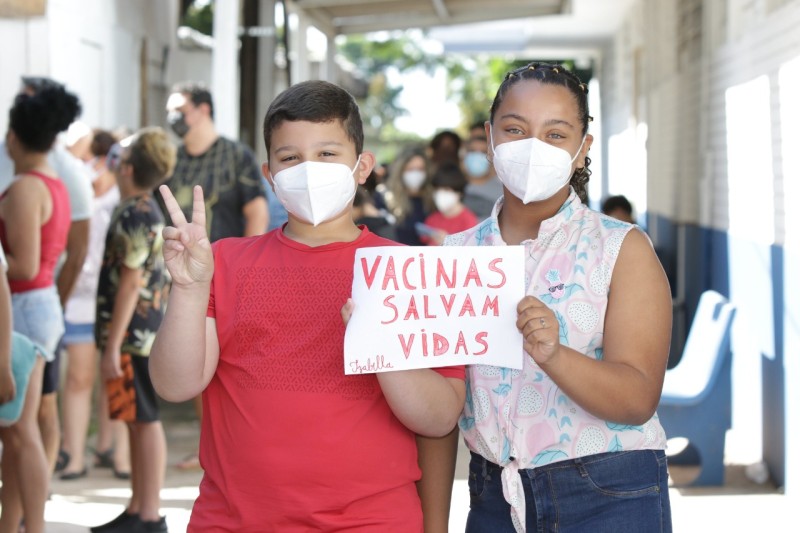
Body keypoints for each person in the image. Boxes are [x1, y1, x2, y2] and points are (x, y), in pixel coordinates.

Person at [149, 79, 465, 531]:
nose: (309, 169)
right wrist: (188, 288)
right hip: (232, 521)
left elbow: (440, 418)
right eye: (290, 158)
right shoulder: (224, 261)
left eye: (327, 154)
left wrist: (381, 346)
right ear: (269, 173)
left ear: (362, 166)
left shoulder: (409, 271)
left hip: (371, 521)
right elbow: (175, 384)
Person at [438, 62, 673, 532]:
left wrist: (554, 354)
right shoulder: (454, 255)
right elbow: (442, 410)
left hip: (609, 495)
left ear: (583, 148)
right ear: (489, 138)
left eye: (555, 134)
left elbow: (637, 399)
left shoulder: (621, 248)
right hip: (493, 497)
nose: (531, 149)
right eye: (514, 129)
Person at [157, 81, 269, 470]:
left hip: (234, 274)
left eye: (180, 110)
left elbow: (256, 212)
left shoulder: (235, 155)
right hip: (190, 279)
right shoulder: (173, 162)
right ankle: (213, 449)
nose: (174, 119)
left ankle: (244, 446)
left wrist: (255, 271)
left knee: (237, 364)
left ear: (203, 109)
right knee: (194, 362)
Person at [0, 76, 93, 478]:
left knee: (23, 429)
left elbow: (26, 264)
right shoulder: (52, 178)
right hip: (38, 303)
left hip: (25, 304)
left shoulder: (32, 183)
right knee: (23, 428)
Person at [90, 128, 176, 533]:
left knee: (144, 419)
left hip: (132, 336)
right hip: (142, 333)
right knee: (135, 419)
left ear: (126, 168)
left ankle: (149, 513)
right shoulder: (146, 209)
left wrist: (111, 346)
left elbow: (130, 283)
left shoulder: (133, 213)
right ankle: (139, 507)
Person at [59, 129, 130, 481]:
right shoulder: (75, 195)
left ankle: (117, 453)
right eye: (85, 159)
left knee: (114, 376)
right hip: (78, 298)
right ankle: (73, 455)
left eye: (98, 159)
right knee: (79, 377)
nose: (91, 166)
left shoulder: (122, 196)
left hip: (114, 299)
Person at [0, 243, 49, 533]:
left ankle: (32, 528)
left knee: (22, 433)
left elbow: (2, 291)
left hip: (13, 345)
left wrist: (4, 364)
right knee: (17, 435)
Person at [373, 146, 433, 245]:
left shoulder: (432, 198)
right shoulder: (384, 196)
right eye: (410, 169)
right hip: (395, 257)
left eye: (420, 169)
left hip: (426, 257)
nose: (415, 174)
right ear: (400, 170)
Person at [420, 161, 478, 245]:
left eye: (446, 190)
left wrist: (449, 242)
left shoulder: (469, 221)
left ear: (459, 192)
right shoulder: (432, 219)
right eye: (437, 190)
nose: (440, 194)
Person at [462, 124, 504, 221]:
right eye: (472, 151)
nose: (477, 156)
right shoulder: (452, 186)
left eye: (482, 152)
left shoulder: (504, 190)